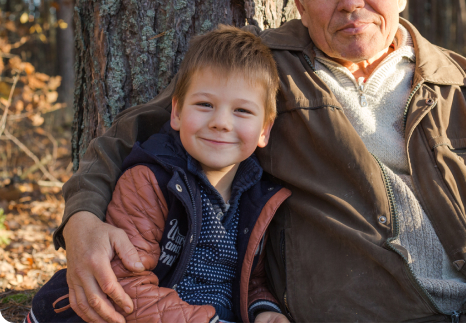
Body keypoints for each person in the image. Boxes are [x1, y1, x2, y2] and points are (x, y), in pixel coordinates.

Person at [55, 0, 466, 322]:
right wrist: (80, 219)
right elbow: (128, 138)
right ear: (300, 3)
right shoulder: (261, 72)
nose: (351, 1)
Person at [29, 27, 290, 323]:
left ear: (265, 130)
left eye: (242, 111)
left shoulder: (257, 197)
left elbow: (249, 279)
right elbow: (126, 286)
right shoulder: (151, 182)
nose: (221, 123)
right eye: (205, 105)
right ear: (176, 112)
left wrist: (265, 311)